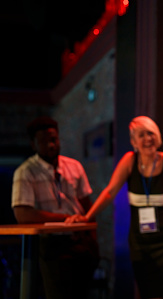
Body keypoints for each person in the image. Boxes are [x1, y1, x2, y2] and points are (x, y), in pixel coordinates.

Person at [66, 116, 163, 299]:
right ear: (133, 141)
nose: (147, 139)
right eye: (141, 135)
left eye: (150, 133)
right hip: (140, 241)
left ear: (157, 136)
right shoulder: (129, 161)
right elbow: (109, 192)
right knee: (148, 291)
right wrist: (87, 217)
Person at [11, 116, 99, 299]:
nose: (51, 145)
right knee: (57, 293)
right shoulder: (26, 171)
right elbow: (22, 214)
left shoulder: (73, 166)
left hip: (80, 240)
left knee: (83, 292)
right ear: (33, 145)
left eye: (54, 139)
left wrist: (92, 239)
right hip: (52, 243)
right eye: (44, 141)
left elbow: (86, 205)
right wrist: (66, 219)